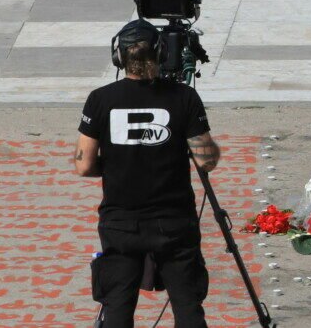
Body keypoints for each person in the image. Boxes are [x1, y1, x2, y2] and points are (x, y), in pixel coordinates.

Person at [75, 19, 220, 328]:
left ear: (119, 56)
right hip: (174, 223)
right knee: (188, 306)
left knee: (117, 307)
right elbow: (206, 160)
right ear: (161, 52)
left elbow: (83, 165)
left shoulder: (100, 99)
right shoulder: (184, 98)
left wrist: (117, 164)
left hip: (121, 223)